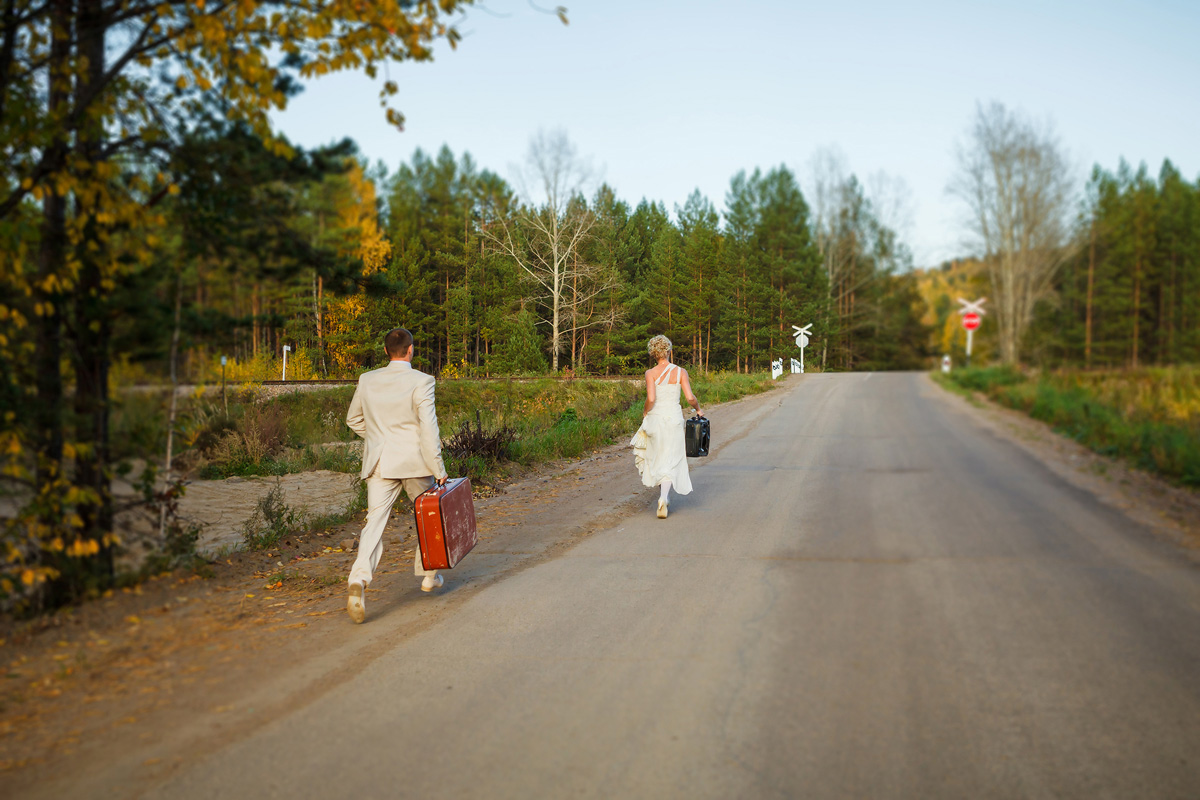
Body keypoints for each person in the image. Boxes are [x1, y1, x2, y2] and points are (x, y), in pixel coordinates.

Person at [344, 327, 448, 624]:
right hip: (415, 461)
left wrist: (378, 437)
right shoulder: (422, 381)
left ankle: (358, 580)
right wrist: (438, 468)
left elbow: (353, 419)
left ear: (387, 351)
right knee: (427, 519)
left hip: (380, 462)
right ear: (411, 350)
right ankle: (429, 576)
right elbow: (429, 429)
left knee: (374, 521)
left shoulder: (367, 380)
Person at [630, 335, 702, 519]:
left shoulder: (650, 373)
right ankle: (663, 497)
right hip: (674, 419)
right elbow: (690, 398)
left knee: (659, 456)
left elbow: (651, 399)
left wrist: (645, 412)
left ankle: (664, 497)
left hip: (656, 418)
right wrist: (698, 409)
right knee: (672, 457)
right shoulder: (680, 372)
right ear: (669, 351)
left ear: (653, 354)